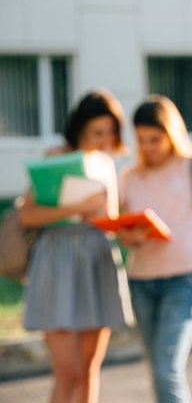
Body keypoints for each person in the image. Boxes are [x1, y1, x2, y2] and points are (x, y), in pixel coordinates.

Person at [19, 89, 129, 403]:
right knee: (67, 373)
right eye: (97, 132)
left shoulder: (107, 163)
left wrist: (127, 227)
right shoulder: (56, 156)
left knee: (89, 370)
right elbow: (27, 216)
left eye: (110, 132)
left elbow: (109, 219)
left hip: (97, 260)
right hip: (57, 262)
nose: (104, 139)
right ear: (79, 127)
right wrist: (77, 209)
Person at [117, 95, 192, 403]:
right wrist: (132, 236)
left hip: (185, 280)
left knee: (167, 369)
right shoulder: (129, 175)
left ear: (172, 133)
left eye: (155, 139)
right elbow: (124, 233)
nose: (148, 146)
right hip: (141, 280)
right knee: (157, 369)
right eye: (141, 140)